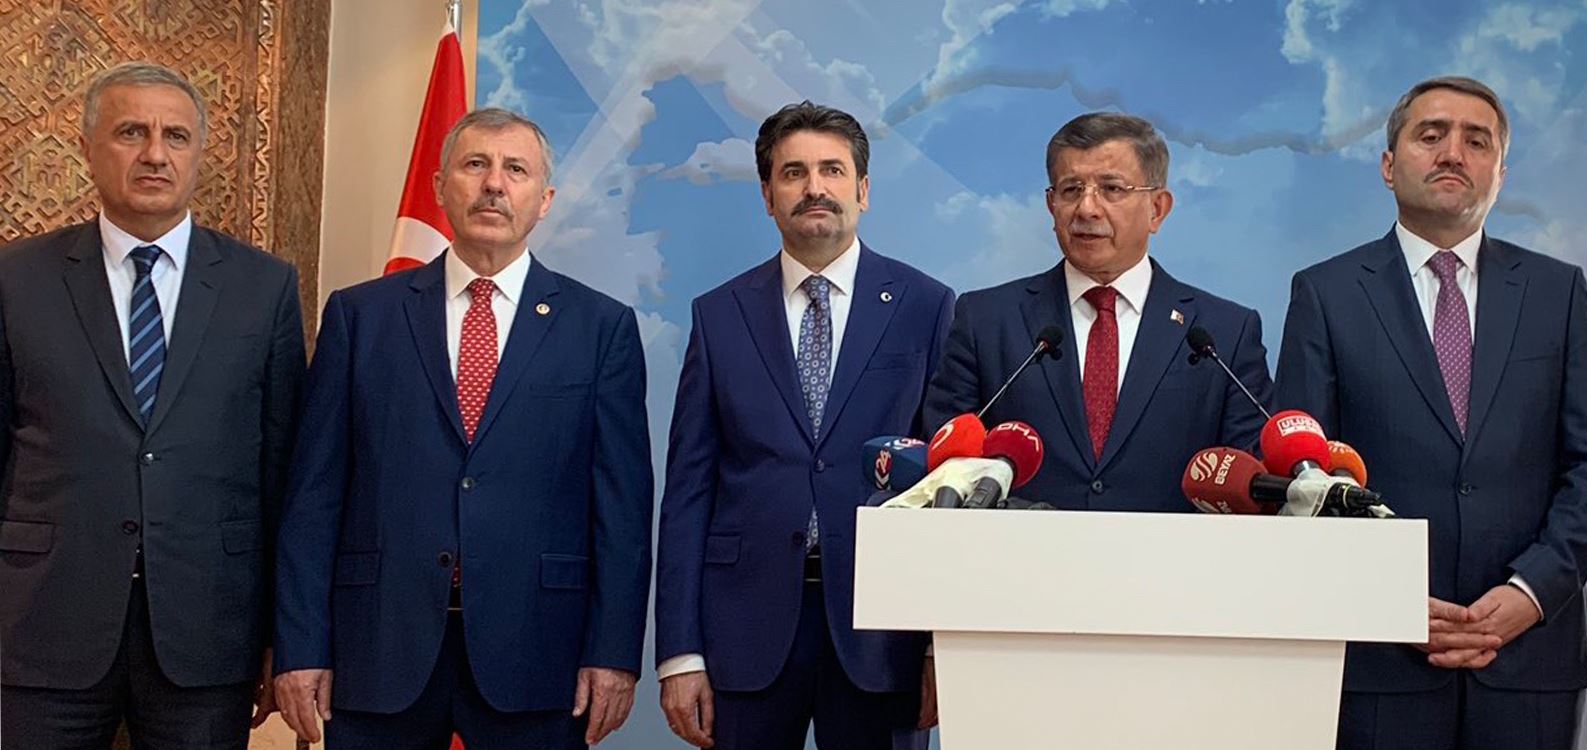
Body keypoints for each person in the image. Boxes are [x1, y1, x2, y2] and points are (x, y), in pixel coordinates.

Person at [271, 107, 653, 750]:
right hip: (377, 645)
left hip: (539, 650)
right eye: (475, 165)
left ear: (544, 200)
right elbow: (313, 496)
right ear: (440, 186)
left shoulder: (601, 328)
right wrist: (301, 647)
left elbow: (622, 508)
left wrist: (613, 652)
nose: (494, 184)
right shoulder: (360, 317)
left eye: (516, 170)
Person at [1270, 76, 1587, 749]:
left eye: (1477, 141)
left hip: (1529, 652)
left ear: (1500, 172)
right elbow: (1304, 477)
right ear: (1388, 164)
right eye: (1430, 135)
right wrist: (1390, 599)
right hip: (1379, 655)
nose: (1453, 153)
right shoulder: (1325, 293)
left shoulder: (1557, 291)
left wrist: (1531, 590)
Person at [0, 61, 303, 750]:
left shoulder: (264, 288)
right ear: (87, 149)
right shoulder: (17, 280)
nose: (155, 154)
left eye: (176, 136)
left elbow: (283, 475)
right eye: (131, 132)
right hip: (41, 626)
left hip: (208, 633)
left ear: (200, 153)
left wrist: (281, 633)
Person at [656, 101, 951, 750]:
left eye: (832, 170)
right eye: (793, 173)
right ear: (768, 196)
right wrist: (680, 652)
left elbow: (947, 485)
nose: (815, 187)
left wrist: (939, 646)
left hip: (883, 634)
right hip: (744, 629)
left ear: (863, 190)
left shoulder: (926, 307)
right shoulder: (719, 315)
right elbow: (688, 492)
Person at [923, 112, 1269, 512]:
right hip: (1020, 548)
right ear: (1051, 205)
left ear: (1157, 209)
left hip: (1173, 551)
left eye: (1112, 189)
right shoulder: (986, 320)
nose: (1087, 208)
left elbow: (1250, 482)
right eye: (1071, 189)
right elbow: (944, 465)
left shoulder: (1223, 332)